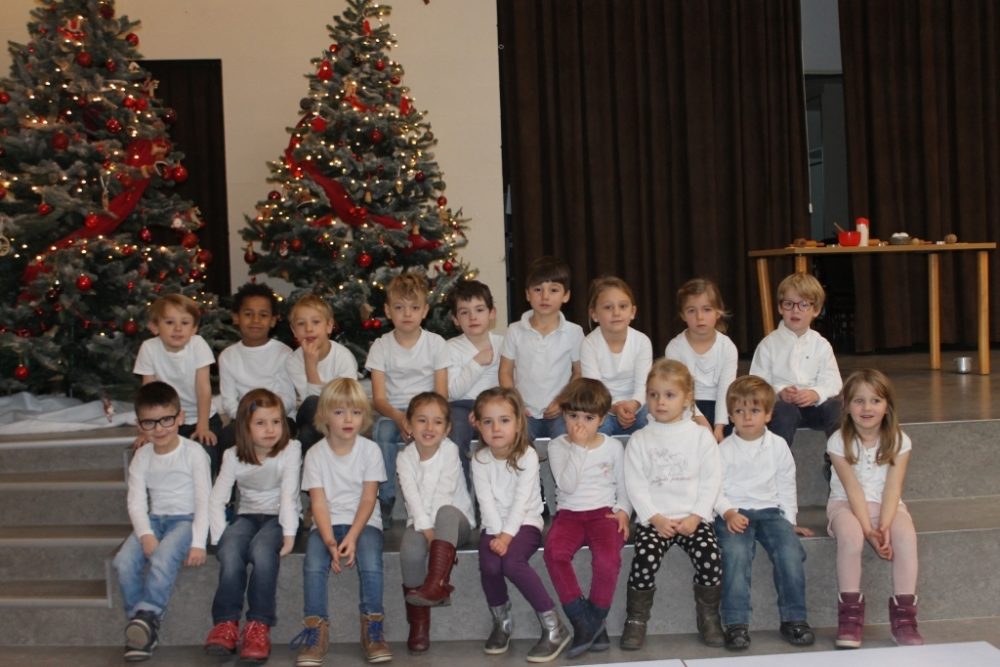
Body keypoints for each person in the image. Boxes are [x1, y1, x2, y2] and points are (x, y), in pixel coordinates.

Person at [621, 359, 724, 650]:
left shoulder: (700, 437)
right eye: (653, 395)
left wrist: (697, 516)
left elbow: (711, 479)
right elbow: (635, 484)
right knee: (643, 561)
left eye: (669, 395)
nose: (660, 402)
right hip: (657, 520)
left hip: (694, 518)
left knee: (710, 558)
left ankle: (709, 617)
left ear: (687, 399)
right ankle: (636, 619)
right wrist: (654, 518)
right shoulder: (640, 439)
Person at [290, 378, 390, 666]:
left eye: (356, 412)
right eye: (339, 412)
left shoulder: (370, 451)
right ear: (324, 416)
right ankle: (315, 629)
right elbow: (318, 503)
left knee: (371, 561)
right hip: (326, 522)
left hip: (364, 522)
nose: (349, 419)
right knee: (313, 561)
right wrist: (331, 541)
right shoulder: (315, 454)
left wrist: (354, 536)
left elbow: (369, 500)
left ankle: (373, 628)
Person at [713, 375, 815, 651]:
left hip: (771, 512)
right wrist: (728, 512)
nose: (747, 417)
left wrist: (788, 520)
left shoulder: (778, 446)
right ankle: (736, 623)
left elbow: (786, 484)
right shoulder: (723, 450)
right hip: (734, 513)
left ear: (769, 414)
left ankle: (794, 618)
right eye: (739, 411)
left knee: (790, 552)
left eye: (755, 410)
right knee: (735, 555)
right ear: (731, 415)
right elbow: (713, 488)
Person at [112, 381, 211, 662]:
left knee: (163, 557)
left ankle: (149, 615)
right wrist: (145, 534)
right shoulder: (142, 457)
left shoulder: (193, 453)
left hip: (185, 520)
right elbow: (136, 501)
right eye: (150, 423)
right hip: (155, 519)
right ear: (139, 424)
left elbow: (205, 499)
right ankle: (141, 627)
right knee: (123, 562)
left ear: (180, 417)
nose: (159, 429)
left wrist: (197, 542)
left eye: (167, 420)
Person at [472, 387, 571, 662]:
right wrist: (495, 533)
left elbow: (520, 502)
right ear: (478, 426)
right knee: (490, 564)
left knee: (511, 563)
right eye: (488, 422)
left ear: (518, 423)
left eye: (504, 420)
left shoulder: (527, 456)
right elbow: (486, 501)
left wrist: (506, 537)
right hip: (493, 525)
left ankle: (554, 627)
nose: (496, 428)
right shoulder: (480, 459)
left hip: (525, 522)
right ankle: (502, 623)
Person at [204, 389, 301, 663]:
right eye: (261, 423)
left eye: (276, 422)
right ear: (245, 427)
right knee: (232, 552)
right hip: (246, 514)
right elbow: (218, 498)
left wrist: (290, 535)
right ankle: (226, 623)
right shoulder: (233, 455)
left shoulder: (291, 449)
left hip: (280, 516)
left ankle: (259, 625)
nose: (270, 430)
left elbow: (288, 495)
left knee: (261, 551)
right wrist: (220, 537)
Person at [827, 369, 922, 649]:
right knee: (852, 536)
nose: (867, 408)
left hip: (887, 506)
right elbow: (853, 489)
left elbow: (893, 488)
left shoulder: (899, 441)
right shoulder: (837, 441)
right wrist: (870, 531)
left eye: (875, 401)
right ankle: (850, 615)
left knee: (905, 535)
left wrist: (885, 525)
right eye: (858, 401)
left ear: (887, 406)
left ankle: (905, 617)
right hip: (845, 504)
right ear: (846, 406)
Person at [542, 378, 631, 657]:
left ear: (602, 419)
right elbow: (566, 485)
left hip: (604, 514)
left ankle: (594, 617)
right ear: (565, 414)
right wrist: (578, 448)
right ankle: (583, 619)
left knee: (607, 559)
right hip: (569, 513)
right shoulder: (558, 446)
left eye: (588, 418)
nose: (579, 424)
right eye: (572, 416)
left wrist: (624, 512)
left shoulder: (613, 447)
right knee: (554, 553)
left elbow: (623, 486)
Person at [397, 392, 476, 654]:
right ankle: (418, 624)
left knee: (445, 511)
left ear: (448, 428)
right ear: (408, 425)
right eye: (421, 421)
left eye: (437, 422)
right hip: (422, 522)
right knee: (409, 549)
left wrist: (434, 535)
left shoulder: (449, 451)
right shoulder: (405, 458)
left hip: (456, 523)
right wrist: (426, 532)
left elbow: (444, 494)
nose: (429, 428)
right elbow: (412, 497)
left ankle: (436, 584)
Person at [366, 272, 449, 521]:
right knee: (382, 432)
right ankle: (387, 497)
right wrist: (401, 418)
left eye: (414, 308)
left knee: (437, 433)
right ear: (388, 311)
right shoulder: (381, 346)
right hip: (393, 411)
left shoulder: (436, 344)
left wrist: (417, 419)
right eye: (399, 308)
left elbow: (441, 394)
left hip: (428, 410)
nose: (407, 314)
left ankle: (439, 499)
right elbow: (379, 399)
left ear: (425, 311)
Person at [749, 272, 842, 448]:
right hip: (782, 407)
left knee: (837, 408)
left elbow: (833, 381)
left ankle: (838, 459)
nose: (795, 310)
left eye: (804, 304)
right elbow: (756, 382)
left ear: (816, 310)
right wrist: (779, 391)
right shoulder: (768, 344)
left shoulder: (821, 345)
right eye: (789, 304)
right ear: (780, 308)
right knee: (784, 412)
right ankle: (781, 463)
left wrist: (815, 393)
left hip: (816, 407)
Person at [499, 256, 584, 441]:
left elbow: (578, 372)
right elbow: (505, 372)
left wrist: (563, 401)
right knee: (515, 445)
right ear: (528, 294)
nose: (545, 296)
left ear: (566, 295)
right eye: (538, 290)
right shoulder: (515, 330)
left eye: (553, 290)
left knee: (566, 443)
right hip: (524, 412)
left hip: (560, 411)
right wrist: (516, 403)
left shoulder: (574, 332)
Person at [132, 294, 220, 467]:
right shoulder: (149, 348)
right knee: (149, 456)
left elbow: (203, 388)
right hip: (164, 421)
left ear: (194, 329)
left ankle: (206, 493)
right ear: (154, 327)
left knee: (205, 455)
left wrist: (203, 426)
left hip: (200, 417)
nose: (178, 328)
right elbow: (148, 394)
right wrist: (147, 429)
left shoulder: (198, 345)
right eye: (170, 323)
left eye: (185, 323)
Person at [217, 283, 297, 461]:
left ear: (273, 320)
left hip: (279, 419)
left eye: (263, 315)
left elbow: (289, 399)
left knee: (285, 434)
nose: (255, 320)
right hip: (243, 419)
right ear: (236, 318)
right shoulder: (228, 356)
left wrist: (266, 419)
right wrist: (251, 420)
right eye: (248, 314)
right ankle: (226, 486)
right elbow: (229, 401)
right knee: (226, 437)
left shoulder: (284, 354)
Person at [665, 278, 738, 442]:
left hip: (721, 406)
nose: (700, 317)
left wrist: (719, 426)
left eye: (707, 309)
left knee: (741, 425)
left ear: (718, 312)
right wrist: (702, 422)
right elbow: (681, 391)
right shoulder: (675, 348)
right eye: (691, 311)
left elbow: (725, 389)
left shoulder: (727, 347)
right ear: (683, 315)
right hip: (687, 405)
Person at [445, 279, 503, 481]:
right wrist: (477, 362)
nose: (472, 317)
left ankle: (500, 491)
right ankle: (463, 490)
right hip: (460, 406)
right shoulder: (450, 348)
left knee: (506, 429)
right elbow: (452, 391)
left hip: (495, 405)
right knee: (456, 431)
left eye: (479, 310)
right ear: (455, 319)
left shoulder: (503, 344)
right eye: (464, 312)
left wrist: (482, 410)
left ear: (492, 313)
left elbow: (508, 382)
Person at [579, 276, 653, 436]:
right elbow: (594, 390)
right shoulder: (589, 344)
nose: (616, 313)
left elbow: (643, 386)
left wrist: (632, 406)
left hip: (636, 408)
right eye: (608, 307)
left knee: (654, 418)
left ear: (632, 312)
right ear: (594, 314)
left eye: (623, 306)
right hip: (603, 409)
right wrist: (614, 408)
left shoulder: (642, 342)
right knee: (589, 426)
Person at [285, 294, 358, 452]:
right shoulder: (293, 360)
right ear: (294, 330)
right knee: (313, 402)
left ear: (329, 326)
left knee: (306, 435)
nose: (309, 329)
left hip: (340, 418)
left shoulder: (343, 357)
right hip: (308, 415)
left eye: (316, 322)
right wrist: (310, 365)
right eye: (301, 324)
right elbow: (307, 401)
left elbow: (348, 400)